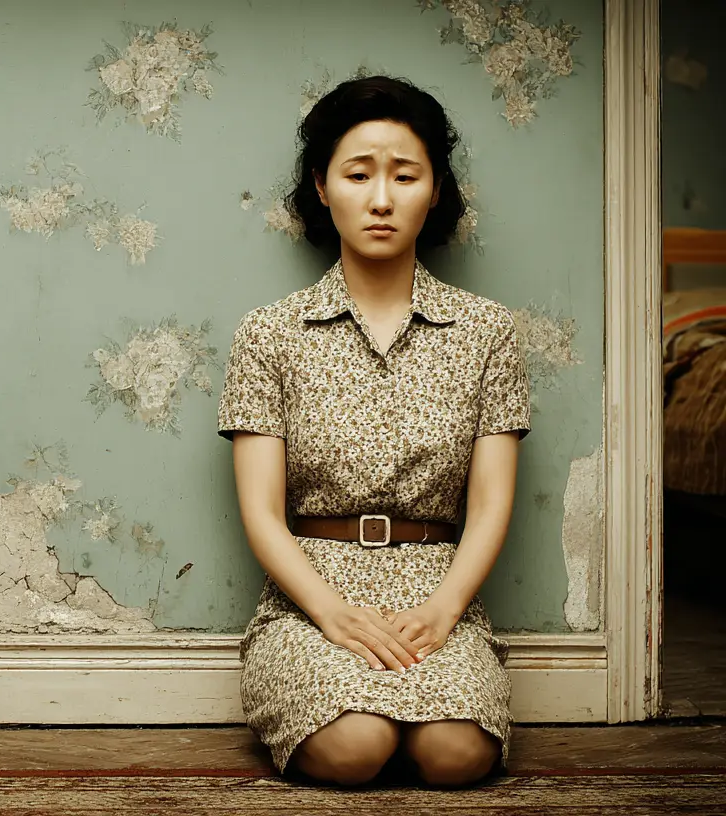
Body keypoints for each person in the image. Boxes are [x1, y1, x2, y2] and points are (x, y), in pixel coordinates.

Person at [217, 75, 529, 787]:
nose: (382, 198)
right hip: (310, 590)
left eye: (405, 176)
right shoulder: (269, 333)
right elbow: (262, 513)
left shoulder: (489, 332)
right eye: (358, 174)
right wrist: (330, 613)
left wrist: (445, 608)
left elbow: (489, 505)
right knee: (355, 749)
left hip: (437, 589)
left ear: (436, 189)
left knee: (458, 757)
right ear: (323, 189)